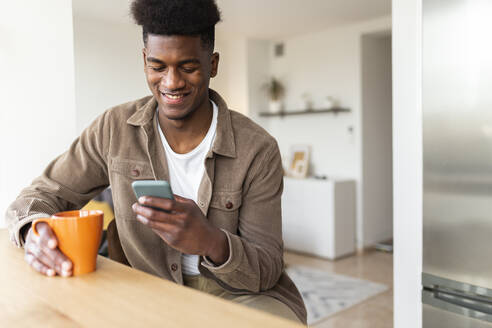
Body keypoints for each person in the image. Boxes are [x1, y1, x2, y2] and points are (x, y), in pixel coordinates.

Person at [5, 0, 306, 323]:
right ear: (144, 61)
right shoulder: (113, 128)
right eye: (158, 66)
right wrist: (34, 231)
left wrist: (211, 241)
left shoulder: (257, 149)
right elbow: (38, 196)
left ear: (213, 64)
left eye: (188, 67)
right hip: (146, 283)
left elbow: (266, 267)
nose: (172, 82)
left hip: (240, 292)